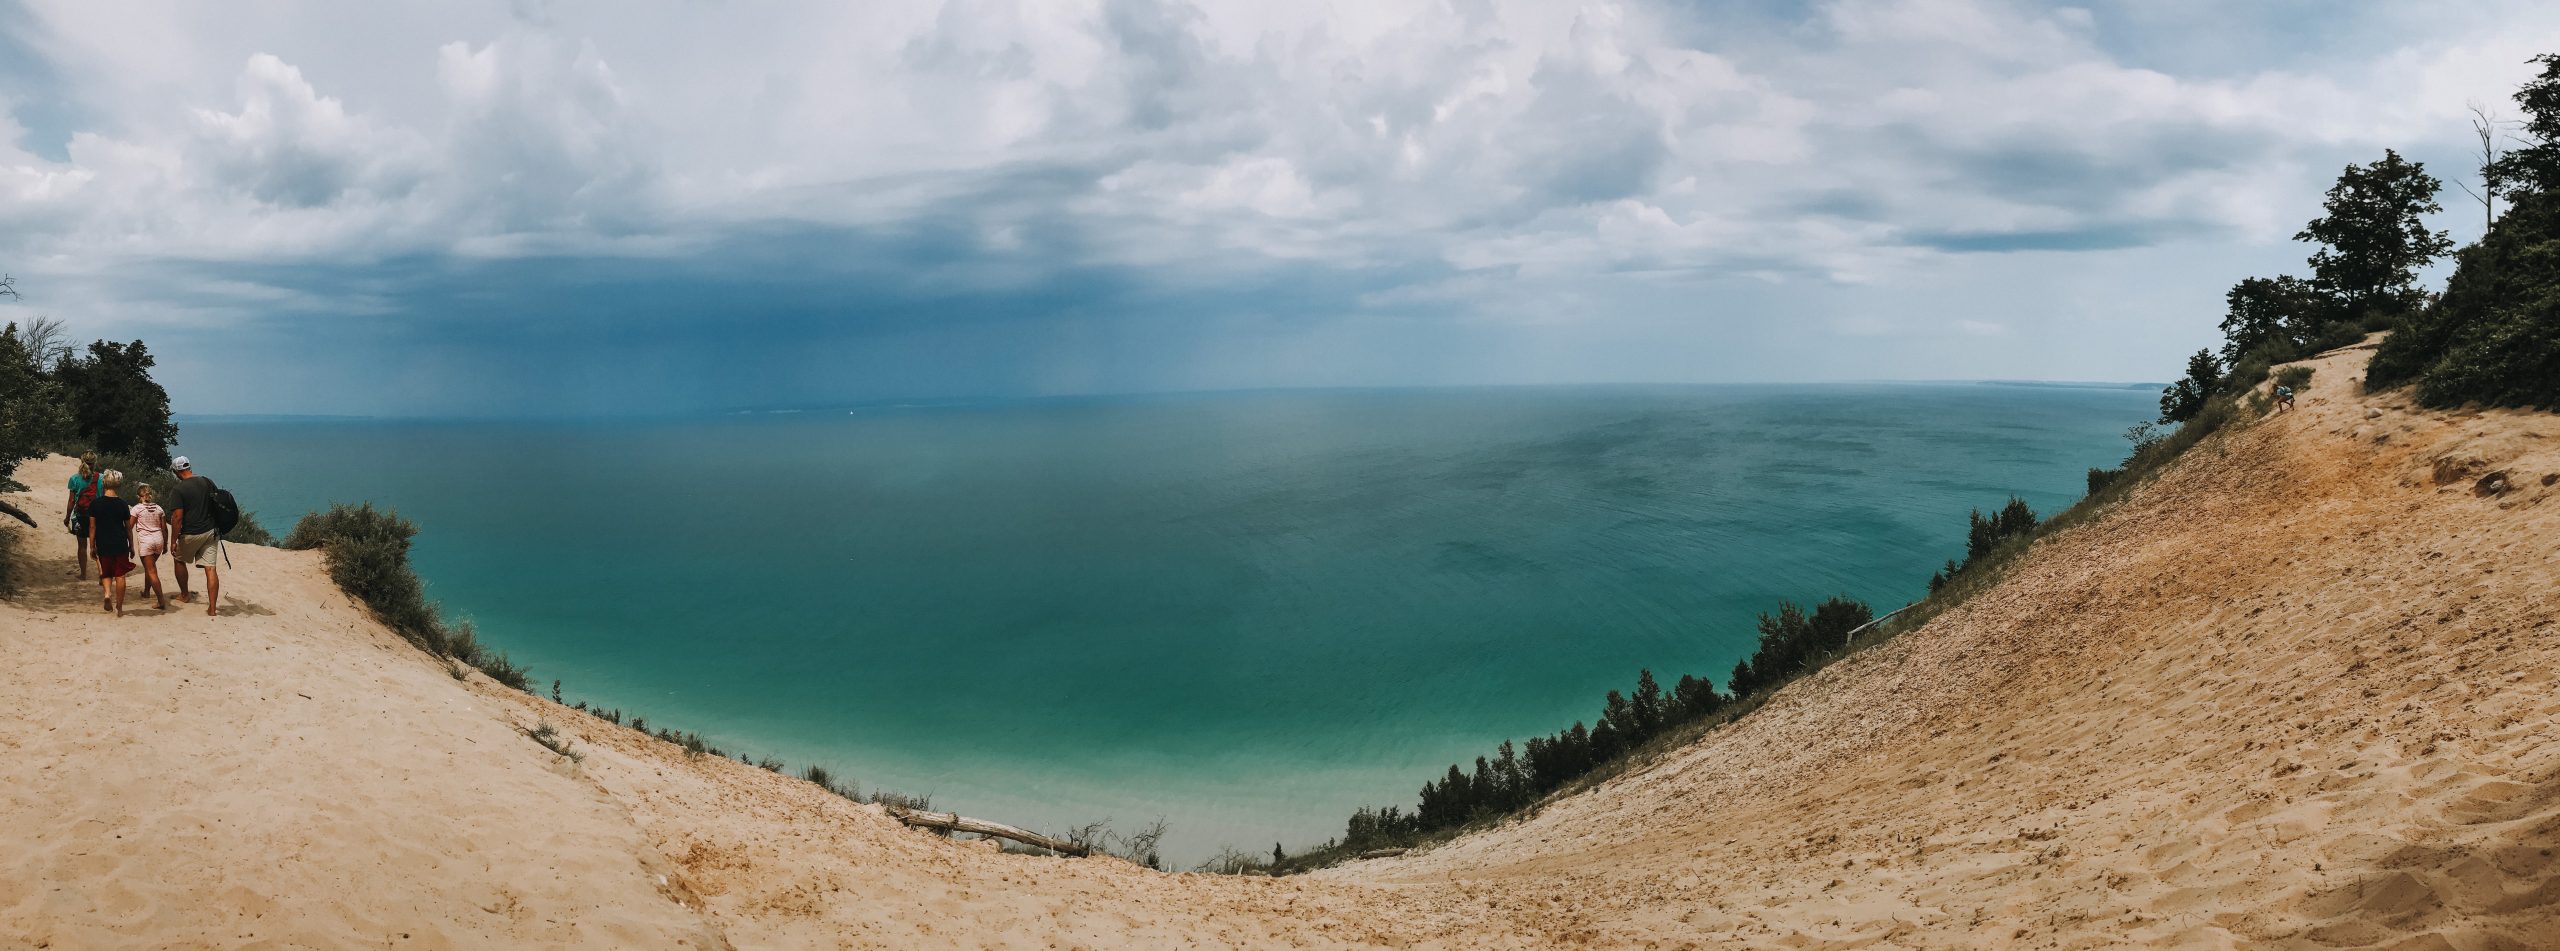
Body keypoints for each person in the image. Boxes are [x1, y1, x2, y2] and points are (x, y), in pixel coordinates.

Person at [168, 455, 223, 617]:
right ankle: (212, 608)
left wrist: (173, 541)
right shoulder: (207, 481)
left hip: (191, 533)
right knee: (211, 568)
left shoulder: (178, 490)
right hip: (211, 531)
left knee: (178, 559)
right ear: (189, 467)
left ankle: (184, 595)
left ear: (177, 472)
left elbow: (177, 517)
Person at [87, 469, 136, 616]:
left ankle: (107, 594)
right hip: (120, 543)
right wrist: (131, 546)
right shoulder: (122, 504)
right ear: (118, 485)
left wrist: (91, 545)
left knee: (106, 572)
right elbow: (128, 528)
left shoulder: (95, 504)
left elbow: (92, 526)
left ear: (104, 483)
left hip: (103, 542)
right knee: (120, 575)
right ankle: (119, 608)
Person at [131, 482, 170, 611]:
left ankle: (161, 601)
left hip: (146, 541)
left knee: (151, 570)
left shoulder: (137, 508)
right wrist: (165, 544)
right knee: (150, 567)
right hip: (158, 539)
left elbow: (129, 526)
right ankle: (147, 592)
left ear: (139, 496)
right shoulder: (159, 508)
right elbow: (164, 528)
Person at [62, 451, 100, 581]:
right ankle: (102, 575)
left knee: (82, 546)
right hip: (97, 516)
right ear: (95, 462)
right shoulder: (100, 478)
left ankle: (83, 574)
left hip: (80, 515)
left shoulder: (74, 478)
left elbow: (71, 501)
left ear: (81, 461)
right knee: (98, 546)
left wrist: (67, 517)